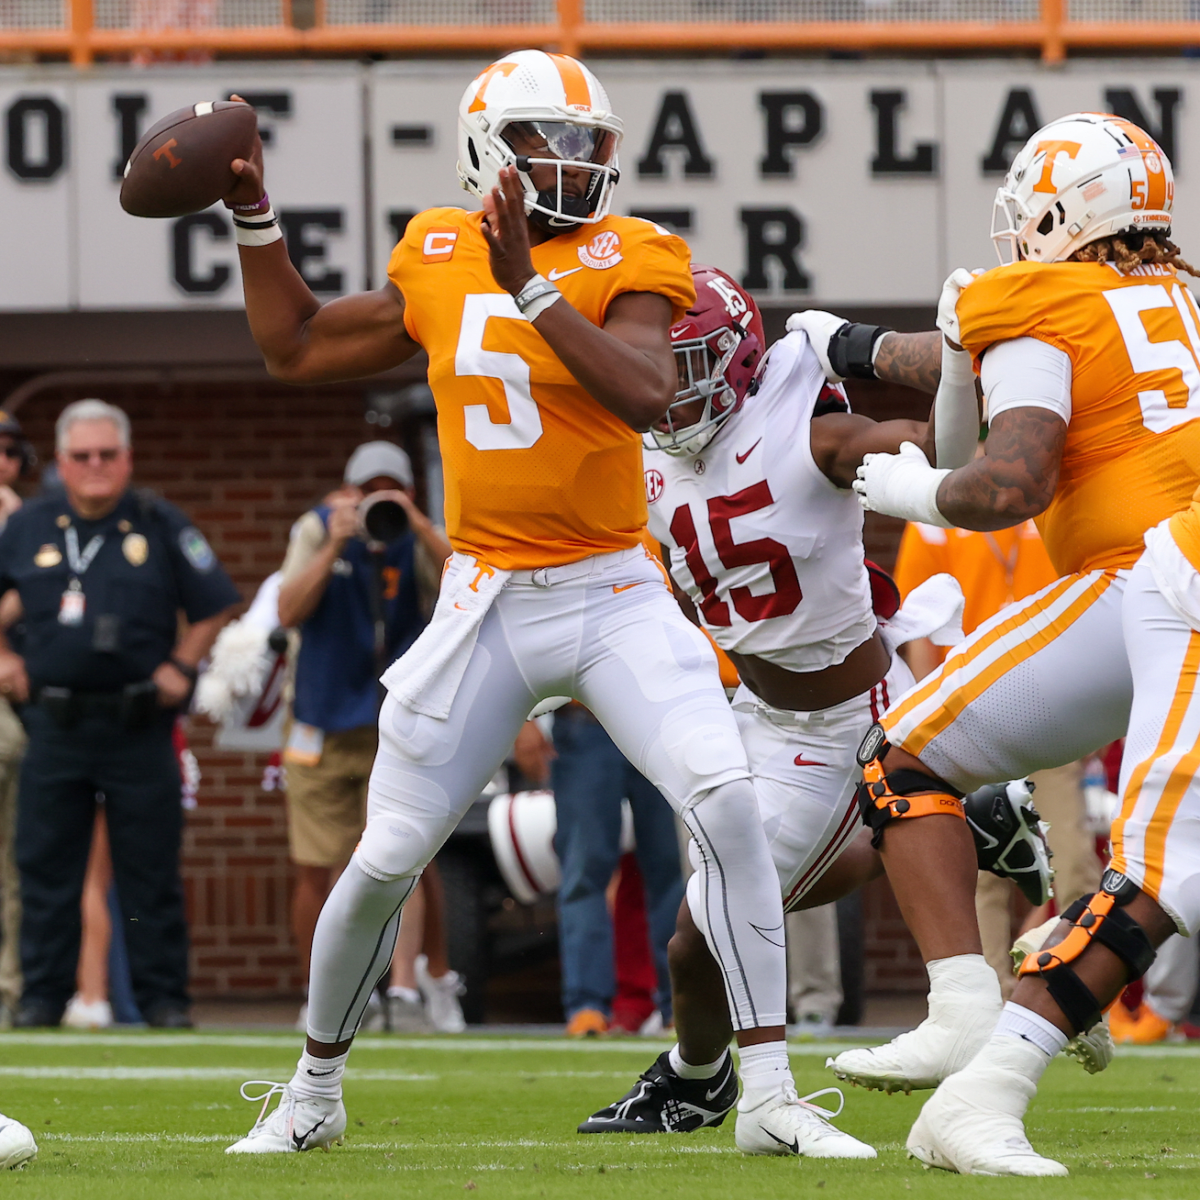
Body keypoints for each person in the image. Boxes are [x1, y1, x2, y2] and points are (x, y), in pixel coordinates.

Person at [218, 51, 826, 1158]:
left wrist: (532, 284)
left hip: (611, 586)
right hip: (489, 593)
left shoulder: (635, 250)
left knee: (724, 798)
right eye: (553, 138)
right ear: (489, 147)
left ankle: (773, 1093)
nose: (578, 159)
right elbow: (295, 345)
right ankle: (311, 1092)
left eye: (592, 140)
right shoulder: (436, 247)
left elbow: (645, 389)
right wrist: (256, 217)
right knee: (389, 851)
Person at [580, 266, 1050, 1138]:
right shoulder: (644, 448)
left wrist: (955, 378)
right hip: (752, 714)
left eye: (690, 371)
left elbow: (931, 449)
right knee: (705, 931)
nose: (669, 394)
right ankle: (968, 822)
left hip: (849, 718)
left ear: (736, 363)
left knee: (709, 928)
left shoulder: (811, 432)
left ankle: (694, 1079)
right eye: (661, 369)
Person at [846, 112, 1200, 1174]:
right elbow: (1004, 473)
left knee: (1160, 865)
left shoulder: (1041, 297)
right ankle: (979, 1045)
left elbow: (998, 476)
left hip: (1149, 573)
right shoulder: (1177, 294)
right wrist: (919, 365)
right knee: (1160, 869)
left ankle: (1008, 1005)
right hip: (1164, 576)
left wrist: (914, 480)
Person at [0, 399, 239, 1029]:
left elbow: (214, 603)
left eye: (108, 454)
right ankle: (42, 1000)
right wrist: (4, 657)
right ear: (61, 463)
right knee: (45, 867)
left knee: (149, 869)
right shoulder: (26, 527)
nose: (96, 466)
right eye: (82, 456)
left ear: (127, 458)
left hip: (139, 726)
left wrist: (183, 665)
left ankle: (164, 1001)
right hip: (53, 725)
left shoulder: (160, 523)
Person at [276, 440, 454, 1031]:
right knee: (317, 861)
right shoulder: (318, 527)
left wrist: (418, 522)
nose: (381, 499)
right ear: (348, 490)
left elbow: (467, 587)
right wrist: (335, 541)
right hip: (324, 721)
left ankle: (403, 990)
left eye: (392, 488)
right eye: (369, 488)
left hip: (396, 718)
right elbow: (287, 609)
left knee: (403, 857)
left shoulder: (416, 530)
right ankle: (318, 991)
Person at [892, 515, 1102, 997]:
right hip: (973, 708)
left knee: (1071, 860)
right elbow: (920, 626)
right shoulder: (936, 513)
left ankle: (1074, 990)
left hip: (1056, 703)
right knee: (983, 864)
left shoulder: (1055, 497)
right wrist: (934, 711)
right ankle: (990, 997)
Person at [550, 700, 684, 1037]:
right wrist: (522, 723)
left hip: (658, 720)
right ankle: (587, 1007)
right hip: (587, 718)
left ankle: (681, 1004)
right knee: (585, 870)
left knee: (674, 873)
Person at [0, 410, 31, 1027]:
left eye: (10, 451)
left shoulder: (32, 521)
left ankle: (9, 989)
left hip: (26, 706)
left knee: (15, 861)